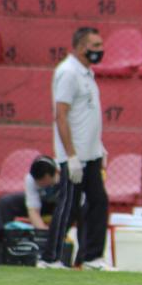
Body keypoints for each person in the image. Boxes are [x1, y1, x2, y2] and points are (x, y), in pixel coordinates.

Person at [41, 27, 112, 271]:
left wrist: (99, 147)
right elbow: (61, 115)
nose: (100, 50)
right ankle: (50, 258)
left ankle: (92, 257)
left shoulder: (87, 74)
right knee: (68, 205)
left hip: (90, 154)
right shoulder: (68, 73)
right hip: (75, 156)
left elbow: (87, 116)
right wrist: (70, 156)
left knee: (98, 202)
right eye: (95, 46)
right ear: (81, 47)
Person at [0, 155, 62, 264]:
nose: (44, 186)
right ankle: (2, 247)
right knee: (6, 202)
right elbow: (33, 210)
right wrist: (43, 235)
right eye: (40, 184)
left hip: (65, 207)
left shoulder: (67, 172)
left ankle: (83, 257)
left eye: (47, 183)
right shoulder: (30, 179)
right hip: (44, 205)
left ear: (56, 173)